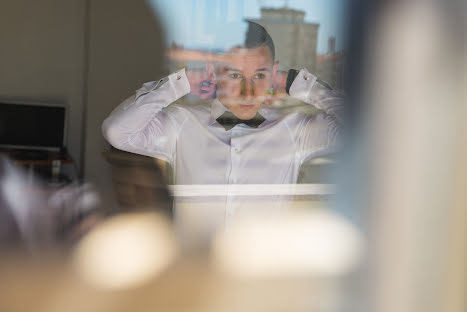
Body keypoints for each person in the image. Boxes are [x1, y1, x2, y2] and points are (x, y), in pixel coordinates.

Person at [102, 22, 343, 236]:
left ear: (272, 73)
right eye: (235, 74)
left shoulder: (295, 129)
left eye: (259, 75)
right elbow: (117, 131)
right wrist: (183, 81)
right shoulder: (182, 123)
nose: (247, 91)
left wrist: (297, 83)